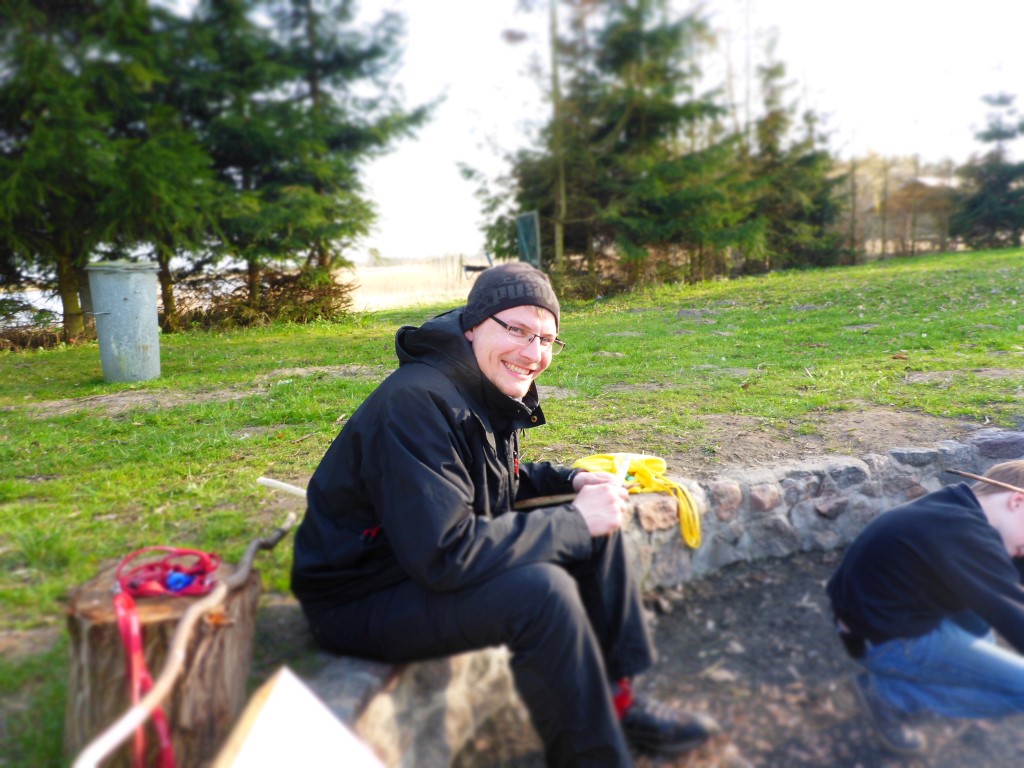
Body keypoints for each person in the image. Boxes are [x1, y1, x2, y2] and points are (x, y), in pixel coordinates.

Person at [291, 262, 718, 766]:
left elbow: (491, 478)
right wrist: (575, 520)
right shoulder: (414, 404)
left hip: (411, 565)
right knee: (541, 593)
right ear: (474, 325)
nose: (533, 353)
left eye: (546, 339)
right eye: (516, 330)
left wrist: (571, 482)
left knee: (598, 536)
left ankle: (619, 703)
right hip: (359, 597)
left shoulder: (476, 384)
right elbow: (445, 555)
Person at [826, 460, 1024, 756]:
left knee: (983, 636)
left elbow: (1011, 566)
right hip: (885, 640)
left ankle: (940, 675)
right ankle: (890, 696)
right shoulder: (964, 537)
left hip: (882, 612)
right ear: (1017, 501)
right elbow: (1016, 620)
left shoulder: (958, 505)